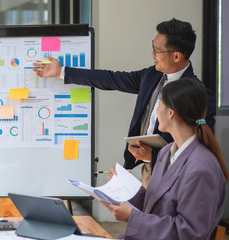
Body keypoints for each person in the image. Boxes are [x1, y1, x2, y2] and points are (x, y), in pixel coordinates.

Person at [33, 18, 216, 187]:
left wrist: (153, 156)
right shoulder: (152, 75)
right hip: (143, 171)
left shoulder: (197, 94)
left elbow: (199, 148)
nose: (152, 53)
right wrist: (62, 71)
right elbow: (111, 79)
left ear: (176, 56)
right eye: (152, 46)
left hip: (174, 175)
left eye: (157, 50)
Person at [100, 78, 228, 239]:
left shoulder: (201, 168)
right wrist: (124, 187)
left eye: (159, 104)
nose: (156, 111)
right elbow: (159, 204)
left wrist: (131, 217)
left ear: (170, 112)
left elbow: (190, 233)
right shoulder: (166, 152)